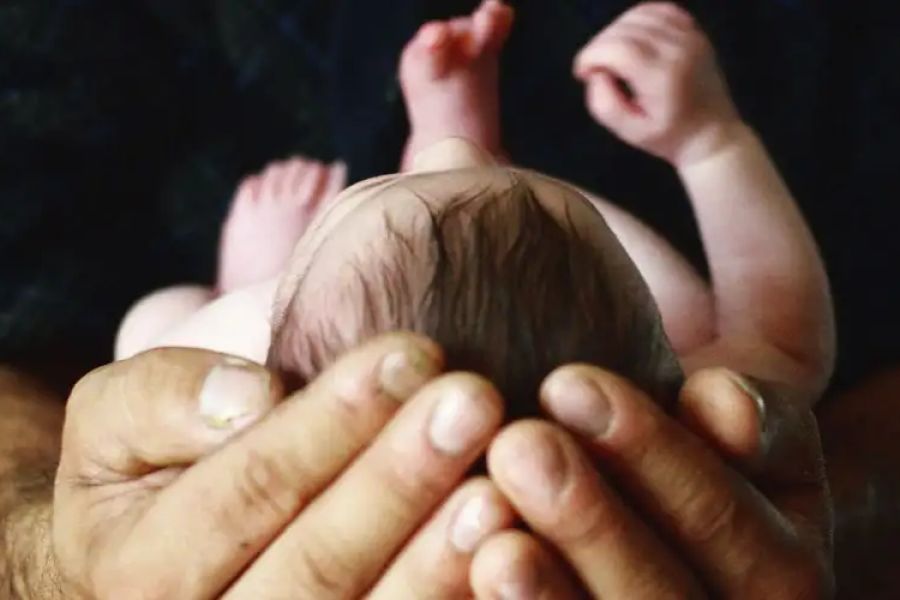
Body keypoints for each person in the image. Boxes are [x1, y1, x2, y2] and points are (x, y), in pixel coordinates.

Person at [115, 1, 834, 411]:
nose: (450, 157)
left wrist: (246, 281)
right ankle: (460, 152)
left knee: (163, 326)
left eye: (383, 187)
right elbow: (785, 343)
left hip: (277, 351)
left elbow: (147, 353)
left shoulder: (257, 360)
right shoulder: (673, 395)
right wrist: (713, 143)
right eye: (501, 172)